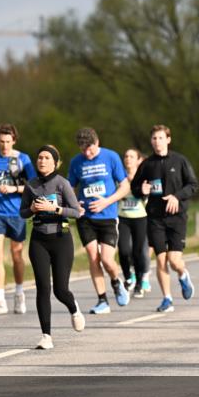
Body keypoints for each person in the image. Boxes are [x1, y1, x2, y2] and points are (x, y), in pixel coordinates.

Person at [19, 145, 85, 350]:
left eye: (47, 157)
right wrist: (31, 209)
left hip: (61, 238)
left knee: (60, 289)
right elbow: (22, 213)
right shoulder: (31, 185)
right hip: (39, 239)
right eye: (40, 157)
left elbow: (77, 212)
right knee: (43, 288)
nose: (42, 161)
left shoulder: (62, 183)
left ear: (54, 162)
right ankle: (46, 335)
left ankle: (74, 309)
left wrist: (54, 208)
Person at [130, 124, 199, 313]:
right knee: (161, 261)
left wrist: (177, 196)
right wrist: (140, 191)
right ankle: (167, 299)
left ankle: (183, 275)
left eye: (160, 138)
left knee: (174, 260)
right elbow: (135, 188)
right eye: (154, 138)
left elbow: (193, 185)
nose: (157, 142)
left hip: (177, 217)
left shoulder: (180, 161)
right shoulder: (146, 164)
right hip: (155, 218)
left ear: (168, 139)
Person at [68, 128, 132, 314]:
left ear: (97, 143)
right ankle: (102, 300)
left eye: (90, 149)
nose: (87, 153)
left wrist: (106, 202)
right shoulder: (76, 162)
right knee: (92, 256)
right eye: (83, 150)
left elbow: (125, 186)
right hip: (86, 217)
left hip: (108, 216)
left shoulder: (111, 157)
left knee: (106, 259)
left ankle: (116, 281)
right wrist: (75, 204)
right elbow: (70, 187)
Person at [0, 123, 36, 315]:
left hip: (16, 212)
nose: (5, 146)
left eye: (8, 142)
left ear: (14, 140)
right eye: (1, 142)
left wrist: (15, 189)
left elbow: (33, 185)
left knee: (16, 255)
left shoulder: (23, 159)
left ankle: (19, 293)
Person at [119, 148, 151, 298]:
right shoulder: (119, 176)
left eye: (132, 156)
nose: (128, 159)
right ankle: (128, 276)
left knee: (138, 252)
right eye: (126, 156)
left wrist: (144, 191)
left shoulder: (144, 176)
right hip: (123, 217)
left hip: (140, 217)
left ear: (138, 159)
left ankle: (139, 283)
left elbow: (148, 196)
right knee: (124, 250)